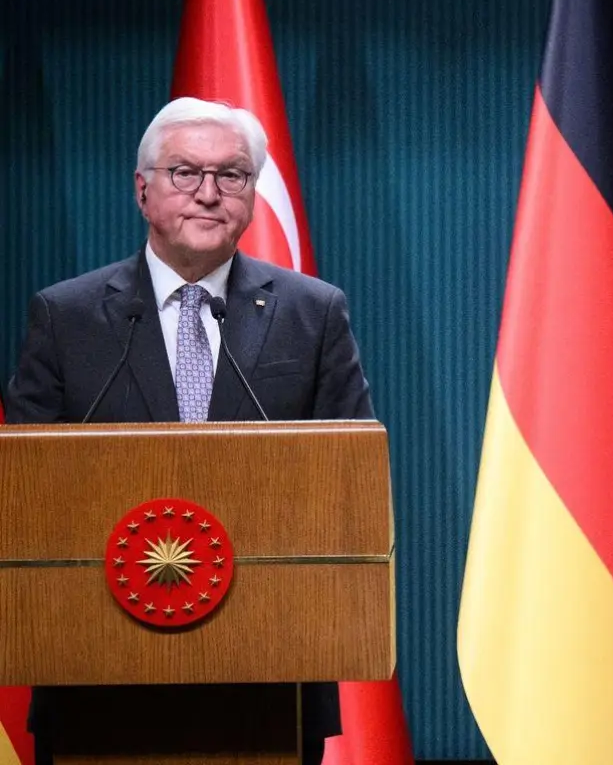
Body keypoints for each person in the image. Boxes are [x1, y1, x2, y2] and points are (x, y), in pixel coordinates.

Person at [2, 97, 371, 765]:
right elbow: (25, 493)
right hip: (96, 671)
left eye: (230, 175)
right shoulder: (68, 317)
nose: (207, 194)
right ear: (143, 190)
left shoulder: (313, 313)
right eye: (184, 173)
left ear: (252, 195)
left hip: (270, 668)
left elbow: (350, 479)